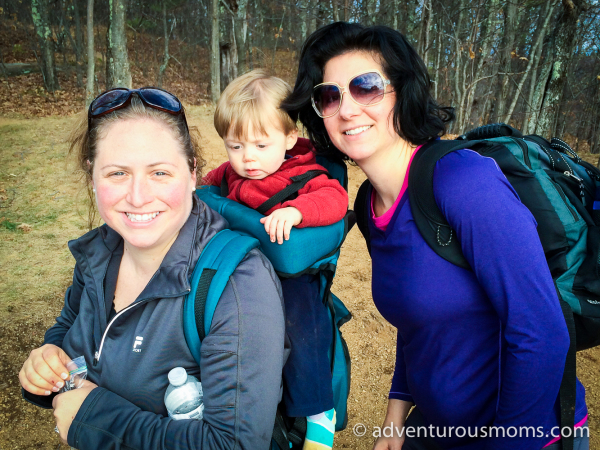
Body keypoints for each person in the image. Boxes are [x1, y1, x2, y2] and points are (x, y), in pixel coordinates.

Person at [283, 22, 589, 450]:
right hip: (435, 428)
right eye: (329, 96)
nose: (347, 109)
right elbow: (417, 324)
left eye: (366, 87)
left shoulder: (463, 181)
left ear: (402, 92)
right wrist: (395, 414)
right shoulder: (370, 206)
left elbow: (541, 332)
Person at [19, 87, 287, 450]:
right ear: (92, 176)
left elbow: (235, 444)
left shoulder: (237, 286)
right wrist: (47, 359)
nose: (138, 196)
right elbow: (69, 327)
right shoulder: (99, 252)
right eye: (117, 173)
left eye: (160, 172)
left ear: (193, 174)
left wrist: (95, 421)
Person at [201, 69, 348, 450]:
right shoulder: (233, 172)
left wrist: (297, 212)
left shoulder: (302, 173)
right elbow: (209, 183)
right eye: (235, 146)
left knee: (304, 327)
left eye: (260, 145)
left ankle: (318, 412)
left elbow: (334, 199)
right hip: (242, 272)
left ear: (288, 138)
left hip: (290, 278)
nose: (247, 159)